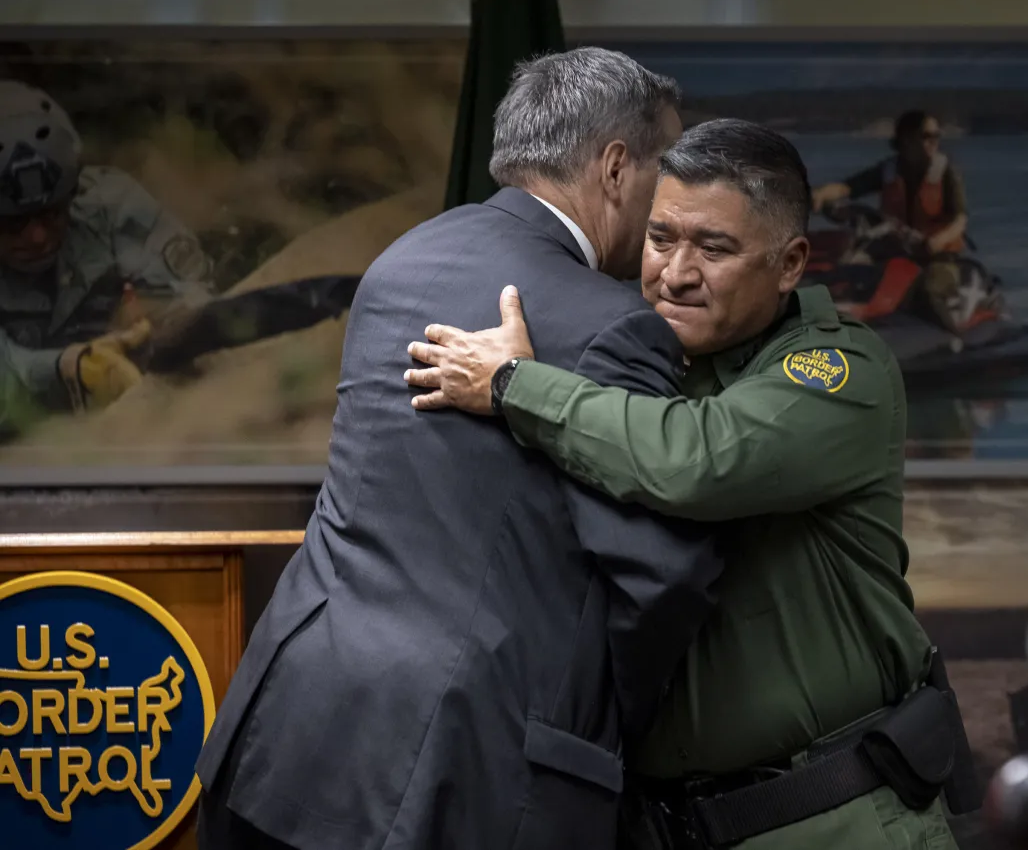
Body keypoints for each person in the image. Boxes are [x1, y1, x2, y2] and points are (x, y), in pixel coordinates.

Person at [193, 47, 722, 850]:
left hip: (293, 721)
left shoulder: (401, 262)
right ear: (617, 167)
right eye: (663, 170)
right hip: (462, 767)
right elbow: (660, 579)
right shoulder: (616, 325)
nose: (664, 204)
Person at [405, 118, 967, 850]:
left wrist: (516, 384)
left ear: (791, 261)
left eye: (715, 247)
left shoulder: (838, 371)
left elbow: (700, 461)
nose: (675, 272)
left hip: (834, 818)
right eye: (661, 237)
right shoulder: (638, 360)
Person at [0, 80, 216, 435]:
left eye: (52, 214)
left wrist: (165, 325)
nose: (37, 237)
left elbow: (194, 299)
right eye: (12, 225)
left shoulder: (115, 210)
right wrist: (70, 368)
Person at [811, 109, 969, 335]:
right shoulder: (889, 170)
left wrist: (938, 241)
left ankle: (953, 338)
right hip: (895, 252)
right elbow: (849, 187)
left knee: (928, 290)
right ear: (907, 139)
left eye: (936, 136)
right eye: (927, 136)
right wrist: (822, 194)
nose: (934, 141)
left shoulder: (946, 173)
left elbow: (960, 218)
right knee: (847, 271)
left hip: (938, 258)